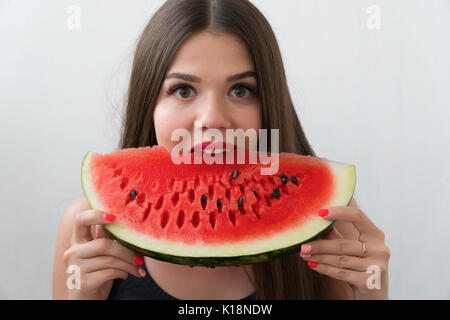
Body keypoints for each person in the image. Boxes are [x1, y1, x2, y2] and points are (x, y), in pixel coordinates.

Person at [52, 0, 390, 300]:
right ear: (150, 102)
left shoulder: (330, 223)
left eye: (241, 90)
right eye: (183, 90)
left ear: (269, 103)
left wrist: (371, 294)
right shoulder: (87, 228)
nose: (212, 120)